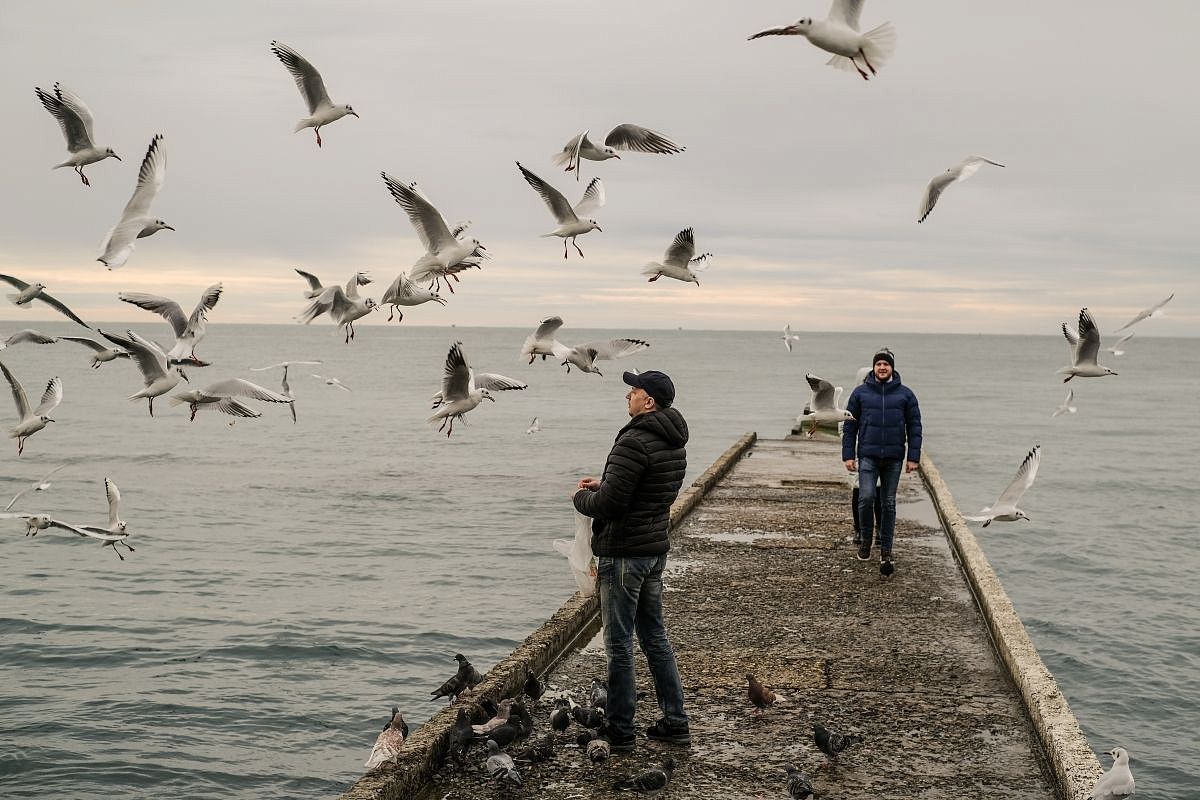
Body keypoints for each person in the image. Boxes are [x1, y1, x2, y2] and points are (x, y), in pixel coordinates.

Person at [573, 369, 690, 753]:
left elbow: (611, 505)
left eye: (633, 391)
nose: (628, 397)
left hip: (624, 555)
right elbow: (646, 494)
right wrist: (605, 485)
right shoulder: (674, 442)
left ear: (649, 401)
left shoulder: (634, 441)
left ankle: (620, 729)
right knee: (655, 638)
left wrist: (582, 500)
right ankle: (675, 722)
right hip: (654, 550)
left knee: (619, 643)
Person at [841, 348, 922, 573]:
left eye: (886, 364)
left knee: (888, 504)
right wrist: (848, 455)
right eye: (879, 364)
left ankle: (886, 549)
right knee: (866, 498)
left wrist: (913, 457)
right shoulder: (860, 393)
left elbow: (915, 427)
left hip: (894, 458)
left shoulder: (906, 395)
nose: (882, 367)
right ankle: (866, 540)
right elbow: (850, 426)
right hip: (868, 456)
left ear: (892, 368)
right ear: (874, 367)